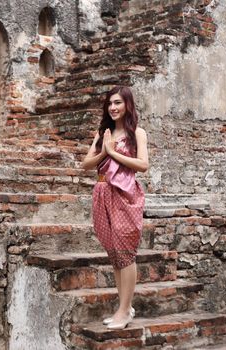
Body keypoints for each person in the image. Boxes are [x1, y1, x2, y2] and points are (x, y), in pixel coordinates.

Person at [81, 86, 149, 330]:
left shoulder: (136, 133)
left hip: (124, 194)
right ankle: (125, 307)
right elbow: (86, 164)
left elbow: (143, 165)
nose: (113, 107)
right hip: (101, 192)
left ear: (127, 104)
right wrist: (103, 151)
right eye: (110, 103)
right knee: (113, 252)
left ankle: (123, 311)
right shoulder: (103, 133)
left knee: (125, 251)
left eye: (118, 102)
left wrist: (113, 152)